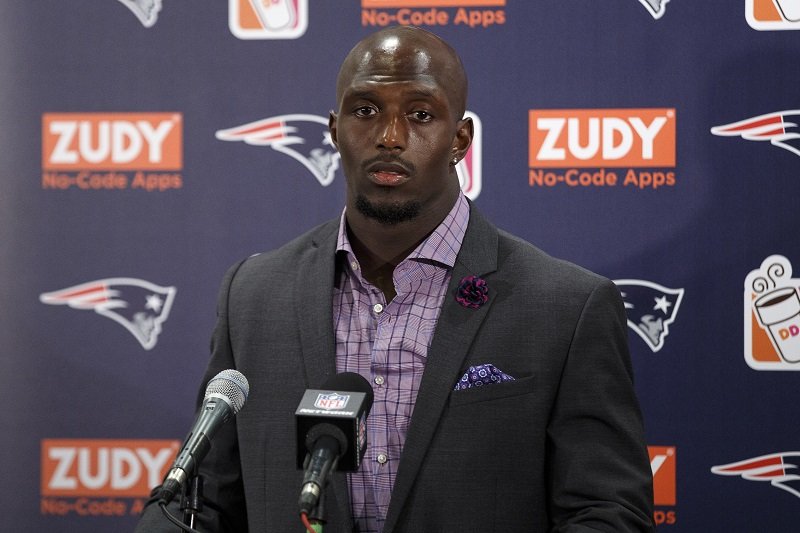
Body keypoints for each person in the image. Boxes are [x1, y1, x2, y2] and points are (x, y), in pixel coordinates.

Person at [136, 26, 654, 532]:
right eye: (366, 111)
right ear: (335, 130)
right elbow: (205, 503)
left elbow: (607, 513)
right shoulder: (254, 294)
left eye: (421, 114)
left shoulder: (565, 307)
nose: (390, 136)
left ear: (460, 140)